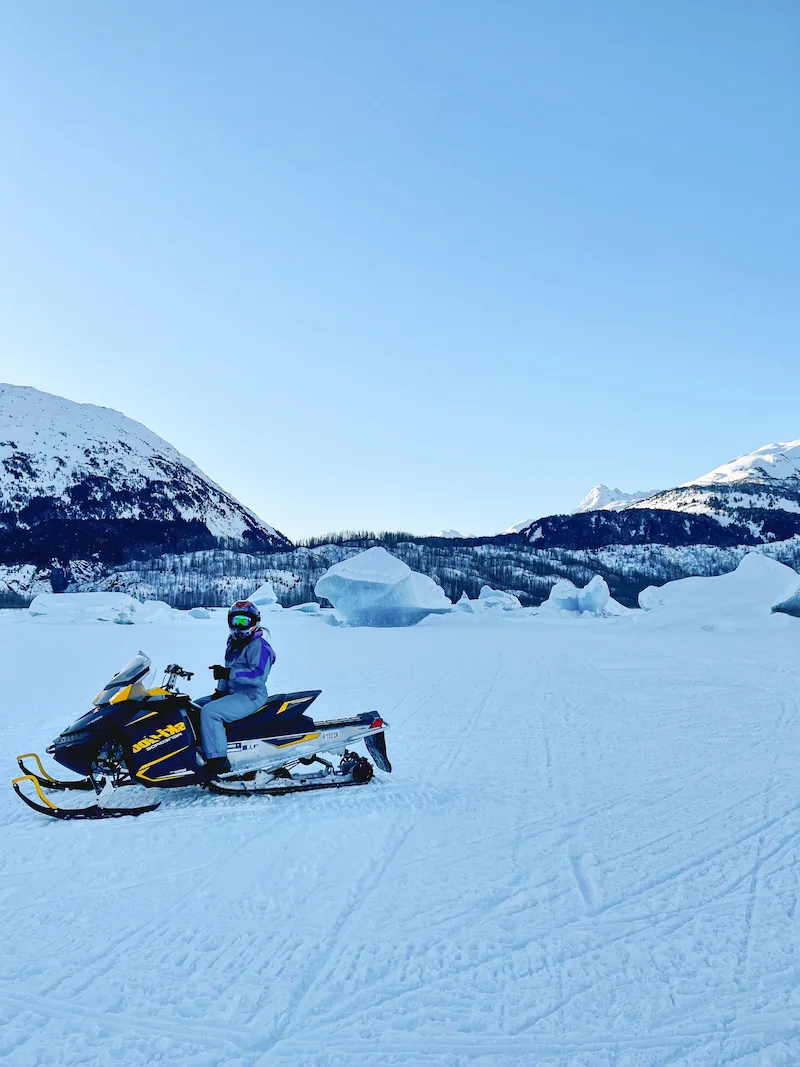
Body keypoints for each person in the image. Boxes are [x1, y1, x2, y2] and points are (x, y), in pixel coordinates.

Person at [195, 600, 276, 777]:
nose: (239, 626)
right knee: (194, 707)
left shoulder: (260, 646)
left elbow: (258, 675)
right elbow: (227, 670)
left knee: (210, 712)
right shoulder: (234, 643)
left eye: (243, 621)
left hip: (252, 695)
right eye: (235, 621)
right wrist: (220, 690)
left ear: (254, 622)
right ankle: (199, 750)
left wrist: (229, 673)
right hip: (234, 692)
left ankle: (217, 761)